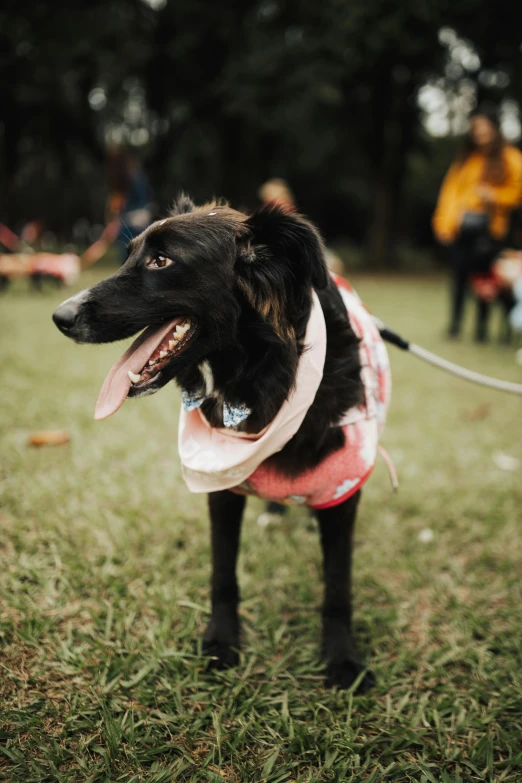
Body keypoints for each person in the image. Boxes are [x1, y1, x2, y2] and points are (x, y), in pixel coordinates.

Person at [432, 105, 522, 341]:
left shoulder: (510, 158)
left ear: (495, 128)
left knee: (487, 281)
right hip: (462, 229)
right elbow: (449, 192)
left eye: (484, 127)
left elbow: (517, 192)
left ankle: (482, 330)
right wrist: (443, 223)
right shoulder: (467, 159)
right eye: (475, 128)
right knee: (459, 278)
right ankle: (455, 325)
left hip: (491, 230)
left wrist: (494, 196)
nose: (479, 132)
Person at [106, 146, 154, 264]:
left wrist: (114, 217)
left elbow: (119, 203)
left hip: (130, 222)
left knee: (127, 257)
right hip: (142, 219)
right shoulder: (137, 174)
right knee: (142, 256)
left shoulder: (126, 177)